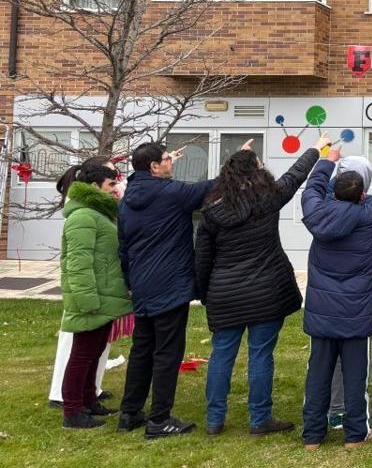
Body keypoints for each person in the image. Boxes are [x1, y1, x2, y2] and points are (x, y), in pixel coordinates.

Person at [194, 136, 326, 437]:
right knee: (260, 355)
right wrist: (317, 148)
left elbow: (202, 258)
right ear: (256, 171)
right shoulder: (269, 198)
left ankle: (215, 420)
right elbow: (295, 175)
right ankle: (259, 419)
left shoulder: (212, 211)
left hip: (225, 294)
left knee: (221, 355)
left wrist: (204, 294)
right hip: (266, 292)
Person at [118, 140, 242, 438]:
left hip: (142, 284)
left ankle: (130, 413)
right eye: (167, 160)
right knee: (167, 353)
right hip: (170, 285)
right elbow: (213, 186)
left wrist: (131, 283)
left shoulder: (127, 199)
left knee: (142, 349)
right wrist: (239, 160)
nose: (172, 163)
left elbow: (123, 249)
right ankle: (159, 419)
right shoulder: (172, 194)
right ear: (154, 166)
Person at [300, 145, 372, 451]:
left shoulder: (316, 212)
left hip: (321, 310)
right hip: (357, 311)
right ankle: (355, 434)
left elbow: (312, 187)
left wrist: (326, 160)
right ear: (361, 195)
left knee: (317, 373)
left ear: (334, 191)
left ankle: (312, 436)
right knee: (357, 376)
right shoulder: (371, 215)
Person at [59, 158, 130, 429]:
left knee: (95, 351)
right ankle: (72, 411)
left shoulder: (97, 212)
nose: (115, 188)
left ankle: (89, 401)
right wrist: (87, 301)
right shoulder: (83, 216)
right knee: (81, 355)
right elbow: (78, 263)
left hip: (103, 298)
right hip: (92, 300)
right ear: (93, 185)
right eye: (111, 183)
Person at [326, 156, 372, 431]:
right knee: (357, 355)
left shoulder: (322, 208)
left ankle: (335, 409)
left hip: (327, 292)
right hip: (360, 292)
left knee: (326, 355)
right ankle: (352, 414)